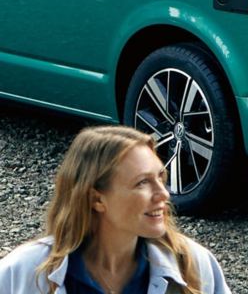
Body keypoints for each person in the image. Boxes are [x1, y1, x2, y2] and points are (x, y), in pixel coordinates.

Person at [0, 125, 231, 294]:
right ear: (96, 199)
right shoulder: (23, 272)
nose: (163, 194)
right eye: (142, 182)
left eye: (160, 177)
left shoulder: (195, 264)